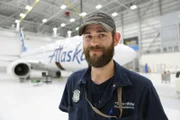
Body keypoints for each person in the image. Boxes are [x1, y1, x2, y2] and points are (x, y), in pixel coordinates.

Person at [59, 12, 168, 120]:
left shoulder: (142, 88)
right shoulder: (73, 81)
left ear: (115, 39)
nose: (94, 43)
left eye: (101, 35)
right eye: (88, 36)